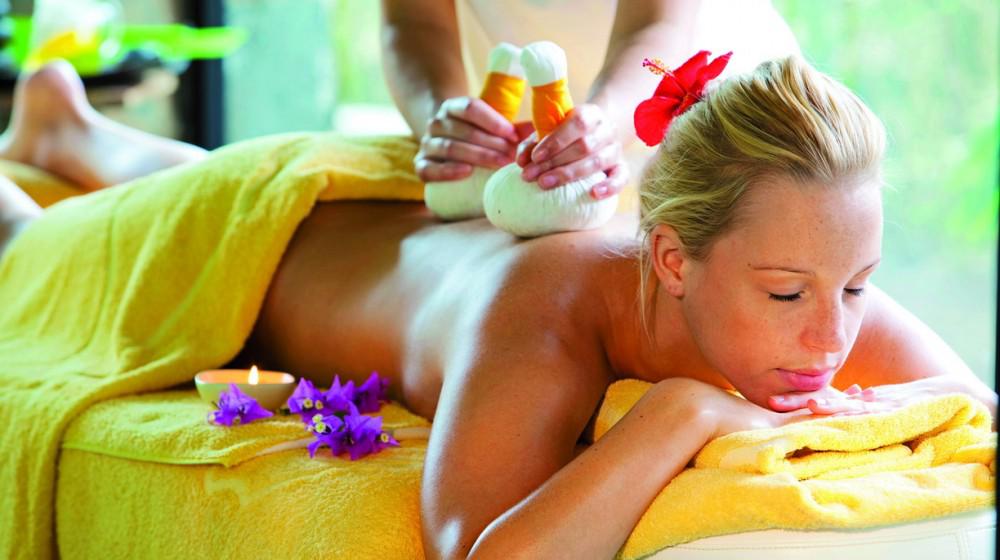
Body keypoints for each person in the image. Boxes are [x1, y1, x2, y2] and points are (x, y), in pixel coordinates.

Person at [0, 57, 996, 559]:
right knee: (28, 243)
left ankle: (68, 128)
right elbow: (479, 550)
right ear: (670, 258)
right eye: (788, 294)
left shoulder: (801, 265)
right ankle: (53, 146)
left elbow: (972, 402)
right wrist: (680, 413)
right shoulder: (544, 311)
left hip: (402, 214)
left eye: (857, 285)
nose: (833, 335)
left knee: (168, 173)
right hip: (251, 243)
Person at [381, 0, 801, 205]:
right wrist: (444, 120)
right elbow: (413, 21)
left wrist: (605, 125)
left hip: (715, 122)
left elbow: (656, 24)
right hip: (521, 150)